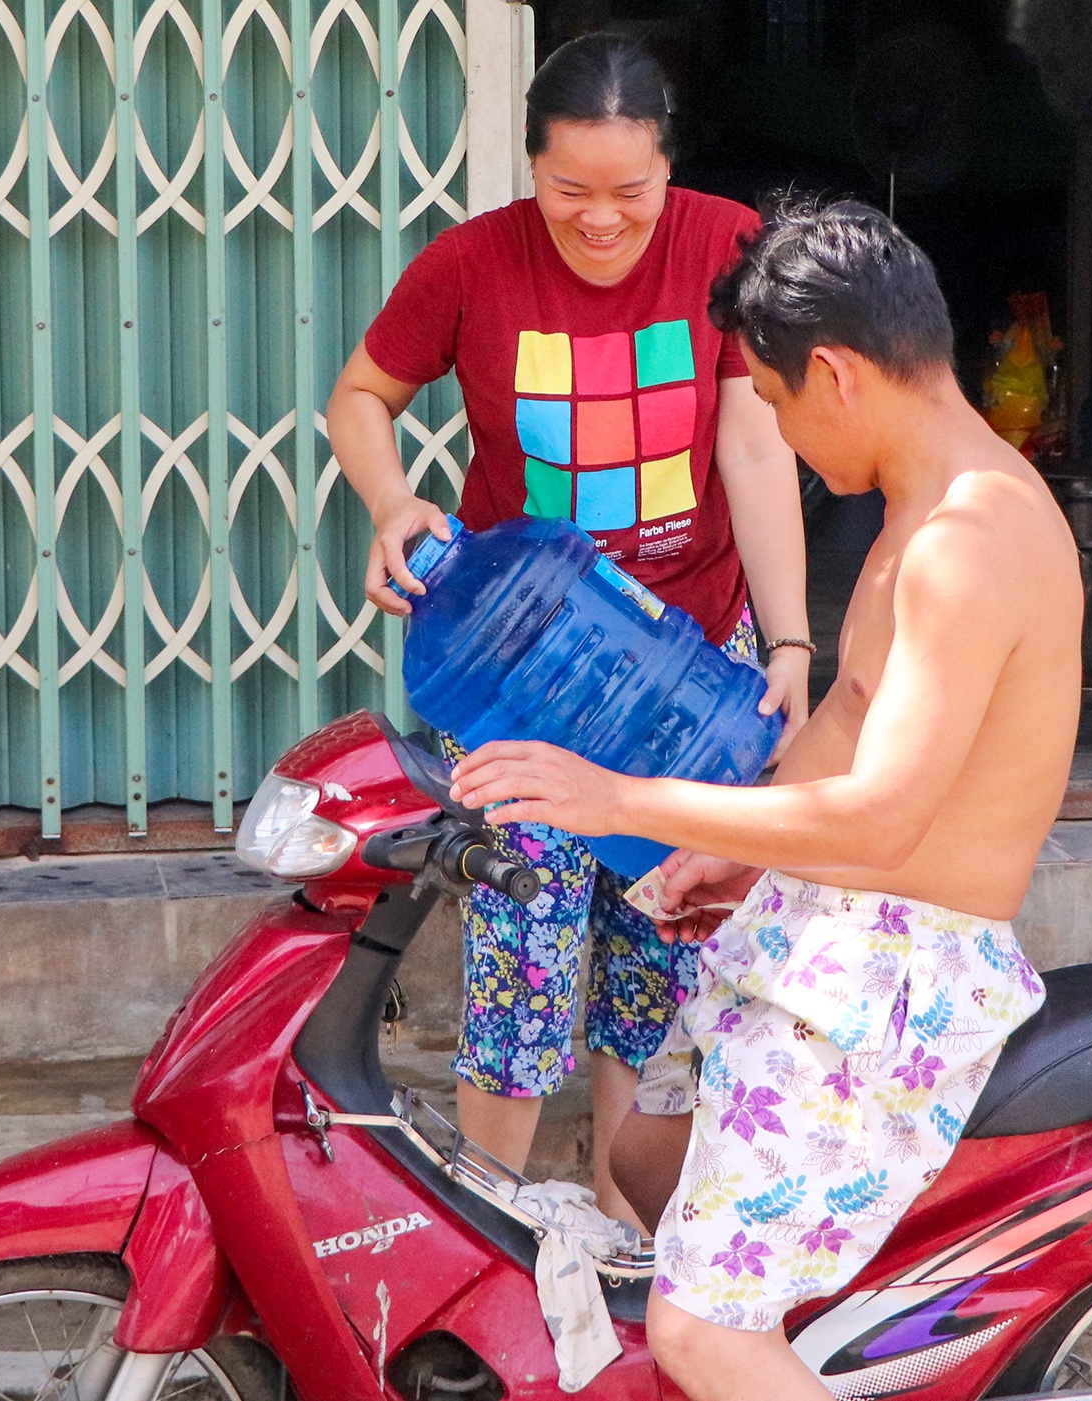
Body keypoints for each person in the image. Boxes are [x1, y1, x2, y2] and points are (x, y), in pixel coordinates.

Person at [447, 199, 1083, 1401]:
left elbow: (885, 815)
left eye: (775, 401)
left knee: (699, 1335)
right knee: (637, 1155)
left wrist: (629, 799)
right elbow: (846, 732)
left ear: (834, 374)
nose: (780, 435)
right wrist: (737, 855)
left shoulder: (965, 542)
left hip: (892, 974)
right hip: (823, 927)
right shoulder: (921, 509)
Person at [326, 33, 809, 1223]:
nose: (602, 220)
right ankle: (494, 1234)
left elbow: (752, 445)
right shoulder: (472, 264)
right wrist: (393, 501)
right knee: (519, 961)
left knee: (661, 961)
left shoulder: (722, 245)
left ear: (669, 169)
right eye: (570, 192)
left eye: (630, 193)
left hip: (688, 676)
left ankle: (635, 1250)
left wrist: (792, 644)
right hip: (527, 680)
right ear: (529, 166)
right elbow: (361, 397)